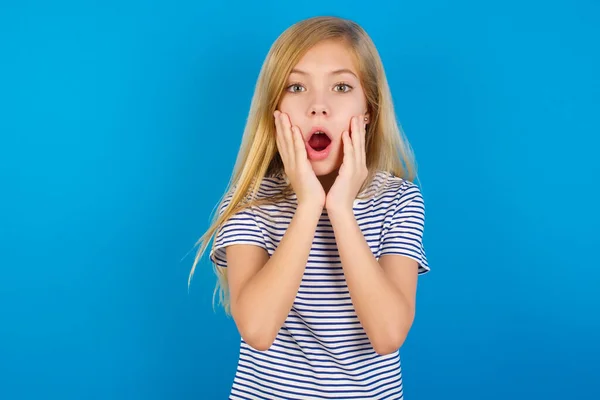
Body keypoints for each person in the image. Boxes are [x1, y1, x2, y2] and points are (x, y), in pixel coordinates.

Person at [189, 15, 430, 400]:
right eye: (297, 86)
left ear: (367, 111)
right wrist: (308, 206)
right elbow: (257, 328)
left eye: (340, 86)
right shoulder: (249, 199)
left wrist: (340, 211)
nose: (319, 107)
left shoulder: (397, 200)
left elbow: (388, 335)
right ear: (275, 110)